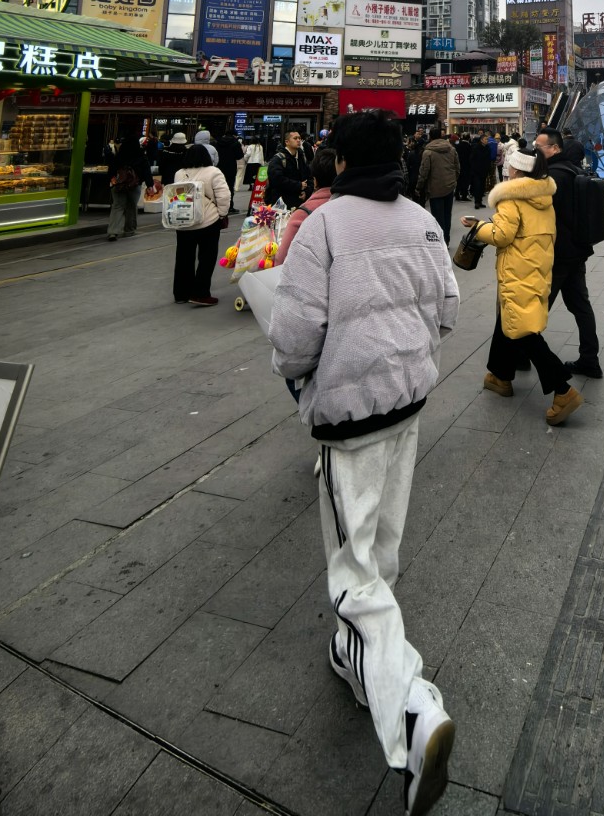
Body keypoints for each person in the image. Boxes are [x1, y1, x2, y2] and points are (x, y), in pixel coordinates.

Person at [268, 110, 459, 814]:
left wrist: (299, 375)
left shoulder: (324, 227)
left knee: (353, 569)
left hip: (351, 416)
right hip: (410, 402)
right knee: (382, 544)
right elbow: (448, 311)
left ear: (340, 161)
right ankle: (356, 664)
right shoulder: (422, 222)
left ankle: (412, 710)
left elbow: (293, 336)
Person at [464, 146, 583, 425]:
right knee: (510, 317)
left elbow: (502, 235)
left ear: (516, 170)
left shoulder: (511, 198)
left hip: (517, 269)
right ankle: (500, 375)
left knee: (523, 330)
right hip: (537, 267)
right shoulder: (543, 196)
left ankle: (563, 390)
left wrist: (476, 226)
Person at [536, 128, 601, 379]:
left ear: (554, 148)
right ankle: (589, 359)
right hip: (578, 250)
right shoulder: (576, 171)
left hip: (559, 254)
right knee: (581, 306)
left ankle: (525, 354)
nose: (536, 150)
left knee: (538, 306)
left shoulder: (552, 177)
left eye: (539, 147)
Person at [171, 144, 232, 305]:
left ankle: (181, 293)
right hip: (208, 221)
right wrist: (222, 214)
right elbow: (224, 196)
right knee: (207, 258)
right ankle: (200, 293)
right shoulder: (213, 172)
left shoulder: (179, 173)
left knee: (184, 257)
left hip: (183, 220)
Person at [275, 144, 337, 263]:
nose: (298, 141)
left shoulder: (303, 214)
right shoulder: (358, 207)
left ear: (315, 180)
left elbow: (282, 258)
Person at [416, 126, 460, 243]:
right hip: (449, 186)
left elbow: (424, 172)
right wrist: (453, 180)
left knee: (437, 216)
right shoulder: (451, 149)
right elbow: (457, 167)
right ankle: (447, 239)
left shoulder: (428, 152)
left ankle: (441, 241)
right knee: (447, 214)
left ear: (430, 136)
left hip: (434, 187)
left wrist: (419, 187)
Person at [107, 132, 150, 241]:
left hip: (119, 184)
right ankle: (129, 230)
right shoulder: (140, 155)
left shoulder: (119, 154)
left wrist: (112, 180)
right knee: (131, 206)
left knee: (117, 206)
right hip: (134, 185)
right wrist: (150, 184)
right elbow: (146, 171)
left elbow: (111, 169)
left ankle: (113, 231)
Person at [266, 129, 311, 209]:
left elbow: (309, 177)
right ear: (287, 142)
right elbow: (276, 180)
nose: (298, 140)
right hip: (281, 206)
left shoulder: (302, 157)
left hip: (300, 204)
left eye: (299, 138)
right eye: (295, 138)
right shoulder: (278, 159)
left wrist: (306, 192)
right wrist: (298, 185)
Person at [217, 125, 245, 213]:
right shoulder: (235, 143)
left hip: (218, 168)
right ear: (234, 135)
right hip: (230, 168)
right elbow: (239, 156)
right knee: (229, 188)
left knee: (218, 188)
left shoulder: (217, 142)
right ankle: (229, 207)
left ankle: (218, 206)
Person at [469, 132, 490, 209]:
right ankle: (476, 202)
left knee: (482, 187)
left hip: (484, 171)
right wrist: (474, 169)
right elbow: (472, 159)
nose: (487, 140)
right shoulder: (476, 148)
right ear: (481, 140)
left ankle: (480, 201)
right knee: (477, 187)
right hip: (476, 171)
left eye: (487, 139)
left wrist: (488, 168)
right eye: (485, 139)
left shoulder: (487, 147)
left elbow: (488, 159)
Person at [454, 135, 471, 201]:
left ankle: (457, 194)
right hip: (466, 166)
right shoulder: (469, 146)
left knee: (459, 181)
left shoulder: (458, 146)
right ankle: (464, 195)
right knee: (465, 181)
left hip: (459, 165)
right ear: (469, 138)